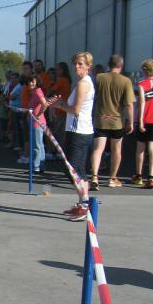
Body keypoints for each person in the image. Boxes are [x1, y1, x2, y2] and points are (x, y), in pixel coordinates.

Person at [52, 52, 95, 221]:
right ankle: (83, 203)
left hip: (79, 132)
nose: (77, 66)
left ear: (88, 66)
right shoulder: (82, 83)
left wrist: (60, 105)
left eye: (80, 64)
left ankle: (85, 205)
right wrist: (62, 103)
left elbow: (76, 110)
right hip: (79, 131)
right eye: (75, 63)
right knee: (78, 170)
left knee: (72, 170)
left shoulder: (84, 84)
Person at [90, 54, 135, 189]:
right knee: (116, 150)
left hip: (101, 119)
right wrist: (131, 122)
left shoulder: (99, 77)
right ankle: (112, 178)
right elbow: (129, 104)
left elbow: (93, 97)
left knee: (98, 149)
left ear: (108, 65)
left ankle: (94, 177)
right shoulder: (126, 81)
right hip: (117, 121)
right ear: (121, 65)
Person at [133, 59, 153, 188]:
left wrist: (140, 120)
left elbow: (142, 102)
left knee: (140, 148)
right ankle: (151, 177)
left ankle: (139, 175)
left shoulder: (142, 84)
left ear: (145, 70)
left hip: (145, 119)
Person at [27, 71, 57, 173]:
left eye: (32, 81)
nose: (30, 83)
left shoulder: (37, 92)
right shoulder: (35, 92)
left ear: (37, 82)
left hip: (37, 123)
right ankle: (41, 166)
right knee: (40, 144)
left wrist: (39, 114)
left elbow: (45, 104)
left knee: (37, 145)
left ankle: (36, 167)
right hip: (35, 122)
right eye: (29, 82)